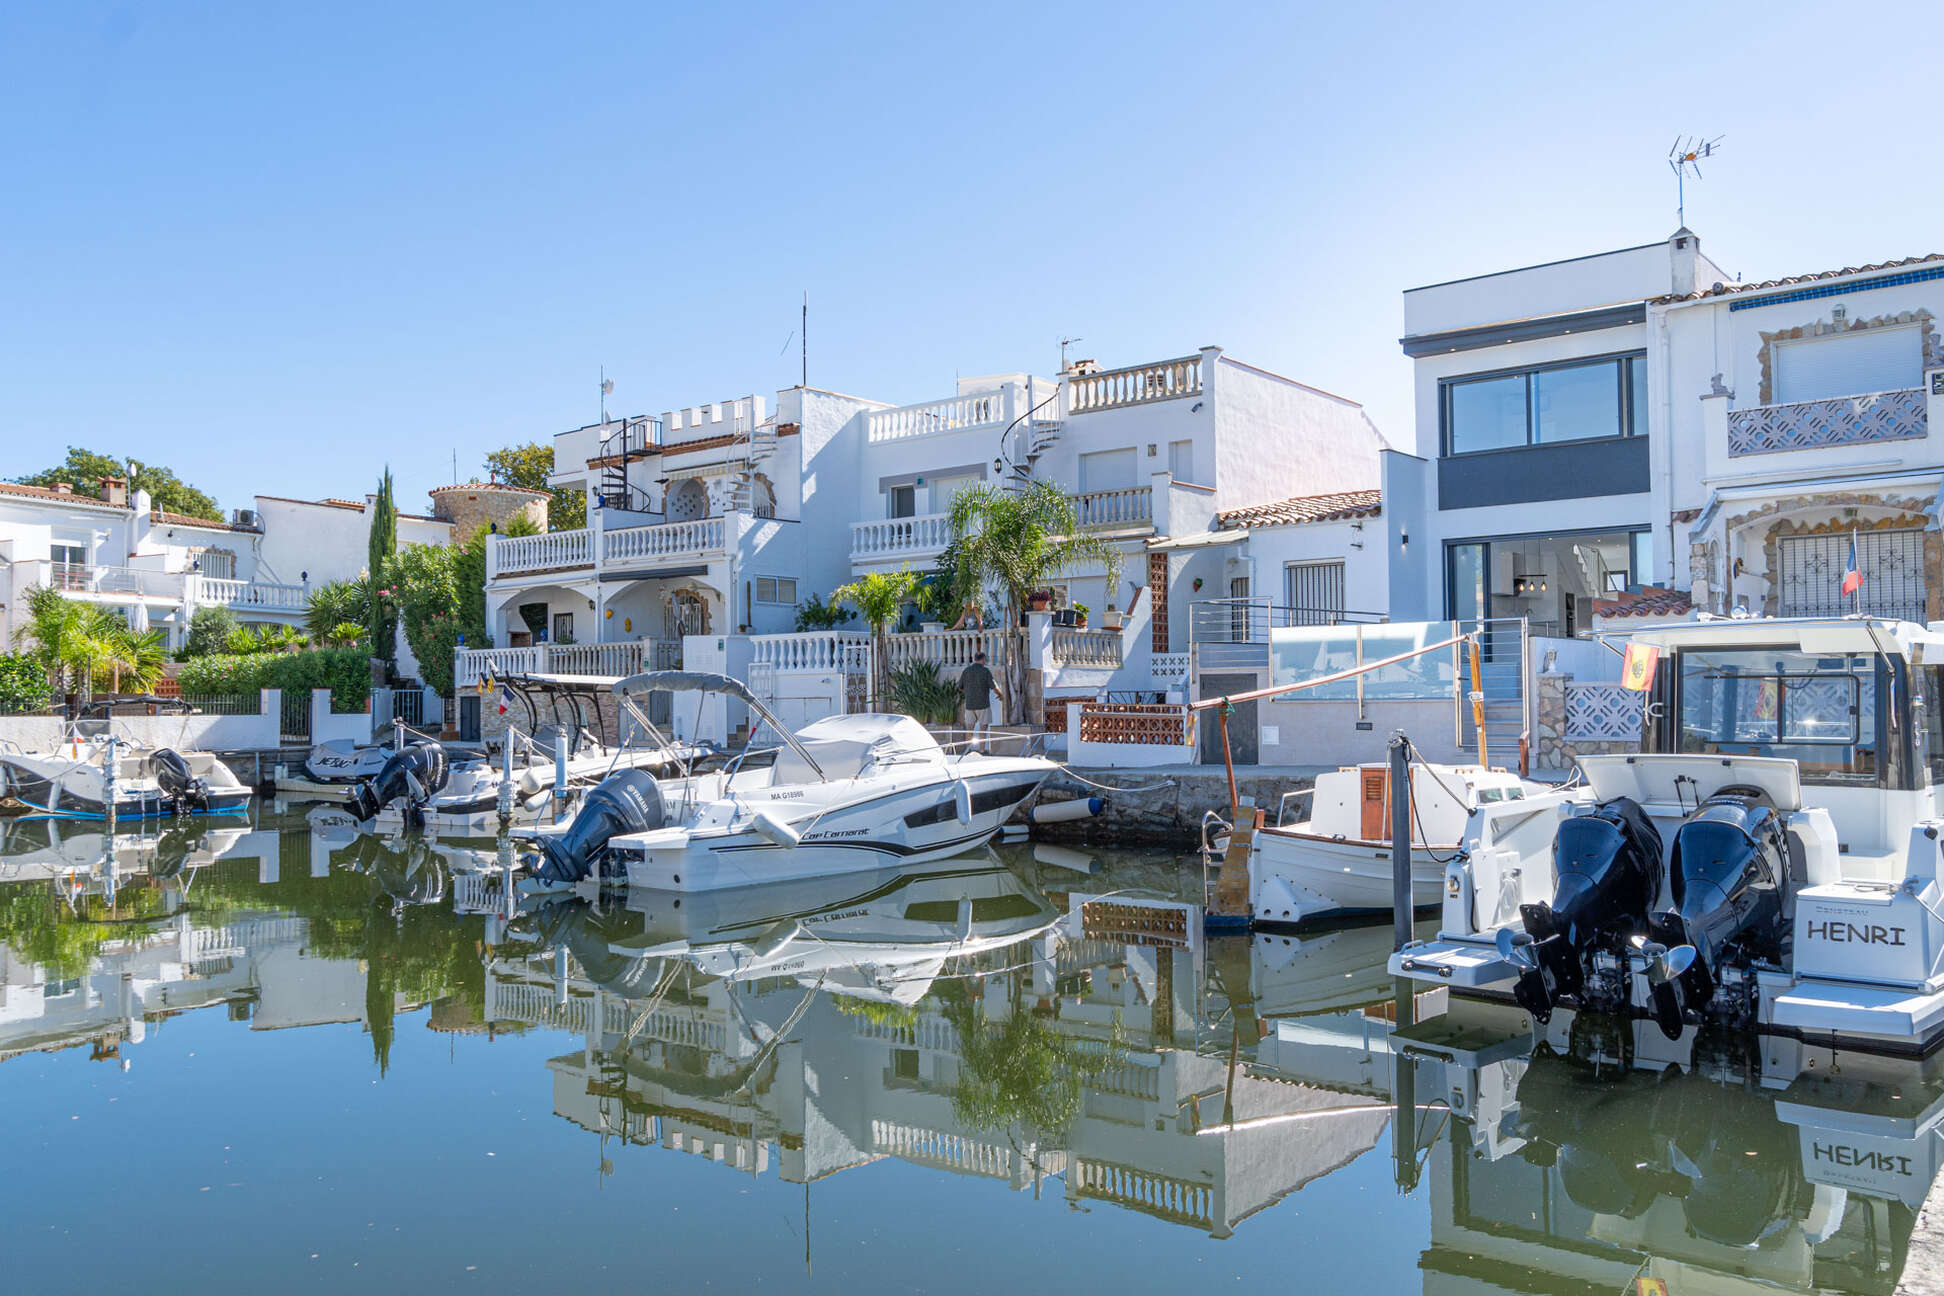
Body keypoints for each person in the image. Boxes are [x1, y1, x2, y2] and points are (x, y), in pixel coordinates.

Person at [959, 650, 1006, 751]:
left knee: (969, 730)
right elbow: (994, 687)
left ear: (975, 659)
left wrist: (968, 693)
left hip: (970, 705)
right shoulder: (985, 671)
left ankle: (967, 751)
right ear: (983, 659)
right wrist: (1000, 695)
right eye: (985, 659)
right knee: (983, 730)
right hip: (983, 705)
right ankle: (982, 751)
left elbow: (960, 687)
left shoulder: (966, 671)